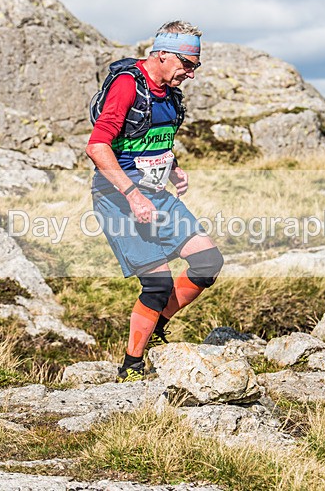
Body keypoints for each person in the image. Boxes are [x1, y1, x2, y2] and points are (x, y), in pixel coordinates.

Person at [85, 20, 224, 382]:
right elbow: (97, 146)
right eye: (187, 64)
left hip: (157, 194)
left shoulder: (171, 93)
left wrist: (173, 168)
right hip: (118, 198)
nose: (190, 74)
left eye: (195, 66)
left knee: (208, 262)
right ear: (162, 54)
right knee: (158, 285)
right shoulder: (127, 85)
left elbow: (152, 140)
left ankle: (157, 324)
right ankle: (131, 366)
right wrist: (132, 195)